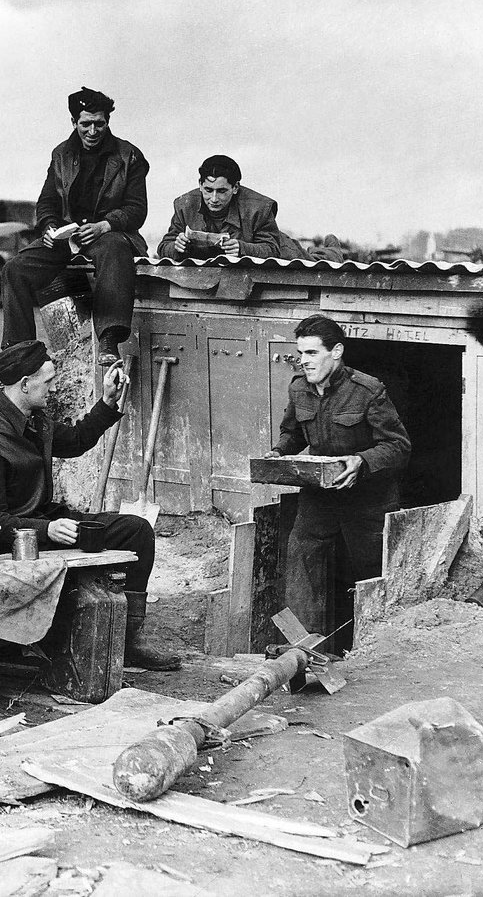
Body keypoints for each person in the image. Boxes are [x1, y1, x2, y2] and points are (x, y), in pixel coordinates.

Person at [0, 341, 181, 670]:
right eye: (48, 382)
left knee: (136, 531)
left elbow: (74, 441)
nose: (53, 388)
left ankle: (129, 639)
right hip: (14, 541)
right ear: (25, 384)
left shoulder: (32, 419)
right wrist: (47, 529)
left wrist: (107, 402)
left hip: (46, 524)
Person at [264, 315, 411, 643]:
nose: (304, 361)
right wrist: (278, 451)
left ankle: (375, 646)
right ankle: (302, 647)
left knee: (371, 572)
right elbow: (292, 432)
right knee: (301, 556)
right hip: (321, 496)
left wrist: (361, 460)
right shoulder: (299, 388)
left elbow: (398, 446)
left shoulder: (368, 390)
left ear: (336, 352)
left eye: (312, 353)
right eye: (301, 353)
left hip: (368, 499)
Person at [2, 86, 149, 365]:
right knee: (14, 269)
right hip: (67, 237)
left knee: (115, 248)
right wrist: (49, 227)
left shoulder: (130, 155)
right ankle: (18, 356)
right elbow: (47, 202)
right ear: (73, 122)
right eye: (86, 124)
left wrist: (105, 225)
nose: (93, 131)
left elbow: (137, 209)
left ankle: (109, 340)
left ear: (107, 121)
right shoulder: (60, 154)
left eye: (99, 124)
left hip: (109, 234)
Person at [157, 155, 306, 260]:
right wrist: (177, 247)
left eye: (221, 191)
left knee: (315, 259)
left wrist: (242, 248)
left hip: (287, 250)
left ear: (235, 187)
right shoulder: (184, 205)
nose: (214, 199)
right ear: (200, 185)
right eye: (208, 190)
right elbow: (163, 247)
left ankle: (322, 249)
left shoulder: (259, 208)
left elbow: (272, 250)